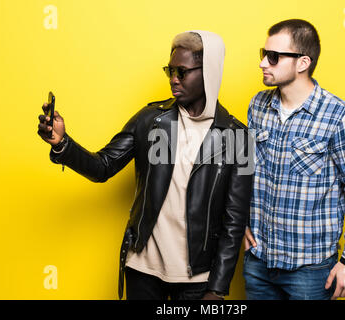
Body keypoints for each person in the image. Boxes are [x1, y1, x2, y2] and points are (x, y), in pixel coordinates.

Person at [37, 31, 252, 300]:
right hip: (142, 271)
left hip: (198, 279)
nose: (174, 78)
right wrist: (62, 143)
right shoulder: (150, 120)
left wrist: (217, 288)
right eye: (170, 70)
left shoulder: (239, 138)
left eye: (182, 72)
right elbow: (103, 166)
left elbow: (235, 220)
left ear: (208, 71)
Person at [243, 19, 345, 300]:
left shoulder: (340, 117)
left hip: (310, 271)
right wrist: (240, 222)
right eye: (263, 54)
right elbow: (245, 169)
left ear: (303, 62)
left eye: (273, 57)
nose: (263, 64)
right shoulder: (258, 105)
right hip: (258, 262)